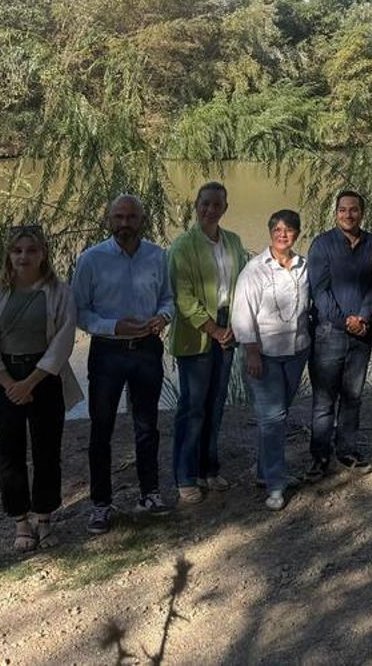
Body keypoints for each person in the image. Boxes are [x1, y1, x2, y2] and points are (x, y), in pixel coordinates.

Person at [0, 224, 80, 552]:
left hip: (44, 379)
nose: (24, 256)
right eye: (17, 250)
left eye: (31, 250)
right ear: (9, 255)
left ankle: (44, 517)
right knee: (11, 452)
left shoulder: (59, 292)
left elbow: (64, 339)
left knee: (48, 452)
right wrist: (9, 384)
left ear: (43, 254)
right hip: (3, 380)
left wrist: (31, 381)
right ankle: (20, 521)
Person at [73, 194, 176, 534]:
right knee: (101, 429)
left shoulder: (157, 256)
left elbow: (168, 298)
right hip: (107, 353)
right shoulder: (91, 260)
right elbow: (80, 312)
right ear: (109, 219)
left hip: (147, 349)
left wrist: (163, 317)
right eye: (119, 216)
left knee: (147, 425)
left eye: (131, 217)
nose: (125, 223)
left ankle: (150, 493)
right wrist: (113, 326)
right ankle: (101, 503)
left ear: (141, 220)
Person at [167, 182, 250, 504]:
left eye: (217, 205)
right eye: (205, 204)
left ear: (225, 209)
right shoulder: (183, 246)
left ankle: (208, 469)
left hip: (228, 328)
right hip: (197, 334)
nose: (210, 210)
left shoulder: (234, 241)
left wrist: (234, 327)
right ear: (196, 206)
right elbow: (183, 297)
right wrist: (214, 329)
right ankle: (185, 476)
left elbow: (243, 285)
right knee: (192, 408)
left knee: (215, 404)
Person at [231, 210, 313, 511]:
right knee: (273, 419)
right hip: (263, 354)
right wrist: (251, 351)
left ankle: (265, 471)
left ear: (297, 234)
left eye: (289, 230)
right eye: (277, 229)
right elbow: (242, 314)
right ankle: (276, 485)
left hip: (296, 351)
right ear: (270, 232)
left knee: (279, 413)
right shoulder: (254, 270)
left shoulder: (304, 267)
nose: (283, 234)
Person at [305, 189, 372, 479]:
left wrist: (362, 317)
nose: (348, 215)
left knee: (353, 396)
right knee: (324, 400)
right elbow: (319, 292)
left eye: (353, 209)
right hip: (328, 334)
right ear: (335, 213)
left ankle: (347, 450)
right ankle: (319, 456)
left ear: (362, 212)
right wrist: (344, 322)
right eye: (342, 210)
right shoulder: (322, 245)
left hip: (362, 332)